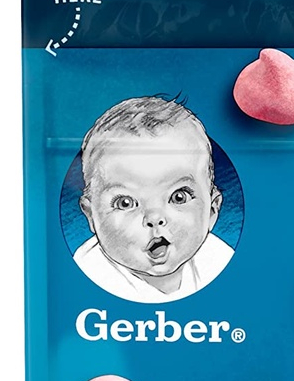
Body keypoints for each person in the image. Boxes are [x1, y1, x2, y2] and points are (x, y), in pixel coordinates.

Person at [74, 96, 233, 302]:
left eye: (178, 197)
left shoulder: (218, 260)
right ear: (91, 215)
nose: (154, 218)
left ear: (212, 211)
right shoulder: (89, 276)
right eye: (125, 202)